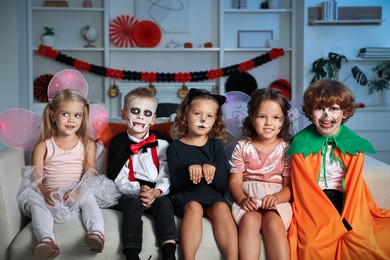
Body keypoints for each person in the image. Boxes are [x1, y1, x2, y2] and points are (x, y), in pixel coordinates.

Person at [287, 79, 390, 260]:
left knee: (362, 243)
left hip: (346, 201)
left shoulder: (353, 145)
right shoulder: (300, 144)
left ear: (344, 113)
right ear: (311, 112)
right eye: (320, 108)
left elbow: (355, 188)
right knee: (313, 245)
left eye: (334, 109)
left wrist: (347, 218)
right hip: (314, 203)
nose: (327, 116)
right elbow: (304, 190)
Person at [16, 89, 109, 259]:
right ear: (52, 115)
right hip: (50, 193)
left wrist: (78, 191)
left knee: (89, 199)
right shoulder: (43, 146)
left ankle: (96, 233)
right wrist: (45, 193)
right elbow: (35, 178)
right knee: (36, 205)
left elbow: (90, 175)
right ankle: (46, 240)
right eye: (65, 114)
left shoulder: (87, 144)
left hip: (77, 190)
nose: (71, 120)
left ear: (83, 117)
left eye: (77, 115)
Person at [107, 87, 178, 260]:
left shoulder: (161, 142)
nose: (140, 117)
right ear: (124, 114)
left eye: (147, 113)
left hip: (155, 190)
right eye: (135, 111)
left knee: (164, 203)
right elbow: (118, 176)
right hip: (128, 191)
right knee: (132, 204)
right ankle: (132, 254)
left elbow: (167, 171)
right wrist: (137, 191)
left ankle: (169, 252)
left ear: (153, 119)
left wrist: (157, 191)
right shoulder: (118, 143)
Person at [166, 88, 238, 260]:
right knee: (194, 207)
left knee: (222, 207)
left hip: (212, 195)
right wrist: (190, 167)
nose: (203, 120)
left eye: (209, 116)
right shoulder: (174, 147)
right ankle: (188, 258)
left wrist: (212, 167)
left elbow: (222, 185)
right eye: (197, 113)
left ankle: (232, 258)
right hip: (186, 196)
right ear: (185, 115)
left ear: (215, 120)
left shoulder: (216, 146)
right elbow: (175, 184)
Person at [229, 88, 292, 260]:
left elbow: (289, 188)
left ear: (283, 121)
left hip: (276, 199)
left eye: (276, 117)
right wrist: (242, 199)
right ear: (252, 118)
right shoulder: (243, 146)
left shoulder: (286, 149)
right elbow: (234, 182)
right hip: (248, 197)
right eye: (262, 116)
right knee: (249, 221)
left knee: (273, 223)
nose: (268, 123)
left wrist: (277, 198)